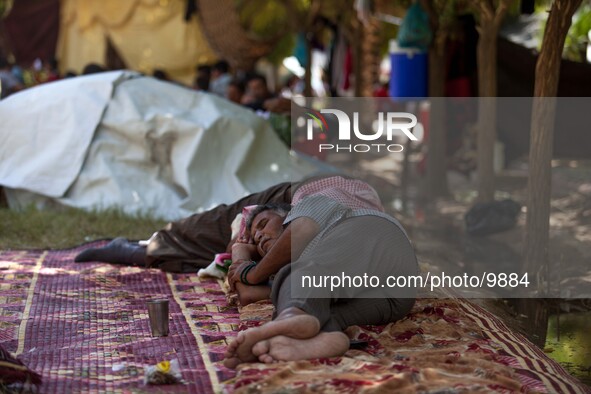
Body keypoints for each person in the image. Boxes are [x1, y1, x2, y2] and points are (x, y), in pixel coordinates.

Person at [223, 175, 418, 367]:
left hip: (373, 235)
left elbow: (301, 230)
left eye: (263, 224)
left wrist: (253, 271)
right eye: (256, 240)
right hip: (394, 298)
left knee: (305, 277)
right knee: (314, 306)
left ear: (288, 215)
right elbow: (249, 295)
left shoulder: (315, 202)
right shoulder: (292, 273)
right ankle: (325, 337)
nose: (259, 235)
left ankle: (291, 318)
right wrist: (240, 251)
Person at [75, 181, 295, 272]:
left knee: (204, 261)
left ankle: (134, 252)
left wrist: (247, 267)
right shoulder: (303, 205)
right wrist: (244, 239)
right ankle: (137, 248)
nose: (259, 236)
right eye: (258, 231)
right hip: (275, 204)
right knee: (197, 231)